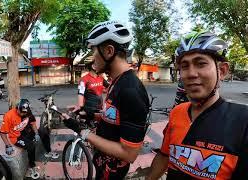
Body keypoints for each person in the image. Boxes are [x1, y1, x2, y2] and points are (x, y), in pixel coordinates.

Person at [147, 31, 248, 180]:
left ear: (222, 70)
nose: (191, 73)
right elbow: (163, 156)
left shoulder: (243, 121)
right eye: (184, 66)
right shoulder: (177, 112)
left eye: (201, 63)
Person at [62, 21, 150, 179]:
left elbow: (129, 154)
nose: (92, 59)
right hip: (102, 165)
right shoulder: (116, 82)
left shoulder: (131, 90)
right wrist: (89, 114)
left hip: (113, 171)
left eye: (94, 53)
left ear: (109, 51)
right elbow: (114, 117)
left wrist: (82, 131)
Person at [0, 99, 58, 179]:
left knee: (44, 133)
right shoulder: (8, 116)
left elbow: (33, 123)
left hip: (26, 131)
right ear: (17, 108)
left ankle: (48, 151)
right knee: (31, 146)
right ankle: (32, 165)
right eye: (21, 112)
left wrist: (37, 134)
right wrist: (8, 145)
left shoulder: (28, 113)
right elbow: (2, 132)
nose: (23, 114)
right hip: (16, 137)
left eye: (25, 112)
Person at [74, 61, 109, 126]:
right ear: (93, 66)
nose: (101, 67)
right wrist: (81, 107)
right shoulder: (83, 79)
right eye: (99, 65)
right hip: (89, 108)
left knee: (98, 126)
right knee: (89, 126)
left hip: (100, 107)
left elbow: (109, 86)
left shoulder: (101, 78)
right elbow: (80, 93)